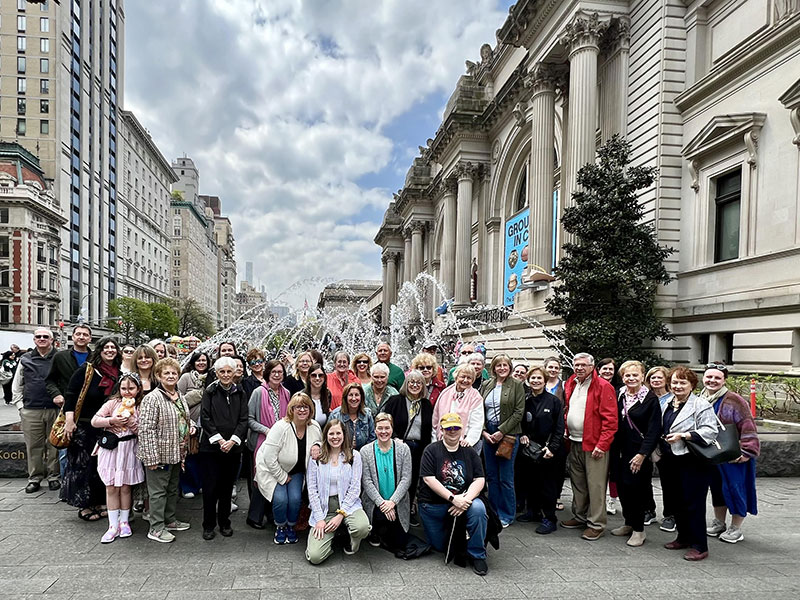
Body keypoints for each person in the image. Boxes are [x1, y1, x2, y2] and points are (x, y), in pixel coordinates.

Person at [657, 366, 718, 561]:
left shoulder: (700, 404)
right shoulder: (666, 402)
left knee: (694, 503)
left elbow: (711, 431)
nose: (677, 386)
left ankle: (700, 545)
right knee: (676, 501)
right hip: (669, 459)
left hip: (692, 461)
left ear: (692, 385)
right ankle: (683, 537)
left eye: (683, 382)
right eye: (674, 382)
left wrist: (684, 435)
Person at [418, 413, 489, 576]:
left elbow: (480, 479)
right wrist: (453, 499)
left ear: (461, 429)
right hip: (434, 505)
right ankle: (459, 537)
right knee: (440, 547)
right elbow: (428, 479)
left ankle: (477, 554)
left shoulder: (469, 451)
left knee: (478, 509)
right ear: (442, 430)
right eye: (448, 428)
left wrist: (465, 500)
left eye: (456, 427)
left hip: (464, 501)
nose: (452, 431)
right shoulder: (431, 450)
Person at [559, 352, 618, 540]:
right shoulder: (571, 382)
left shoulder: (603, 386)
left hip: (594, 445)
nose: (579, 368)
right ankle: (580, 516)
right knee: (578, 484)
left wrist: (602, 444)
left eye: (583, 365)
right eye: (576, 365)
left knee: (596, 485)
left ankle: (596, 524)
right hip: (574, 441)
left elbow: (610, 420)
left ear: (592, 367)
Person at [61, 337, 121, 520]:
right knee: (83, 466)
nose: (110, 350)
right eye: (106, 347)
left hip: (107, 426)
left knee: (102, 467)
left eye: (113, 347)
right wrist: (69, 421)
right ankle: (85, 505)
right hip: (85, 426)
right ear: (99, 350)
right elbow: (70, 395)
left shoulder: (119, 372)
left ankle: (100, 501)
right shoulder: (86, 371)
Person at [701, 363, 760, 544]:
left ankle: (736, 527)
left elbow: (748, 425)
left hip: (734, 454)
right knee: (717, 489)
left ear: (724, 380)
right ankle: (719, 522)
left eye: (717, 378)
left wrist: (747, 451)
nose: (712, 380)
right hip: (712, 454)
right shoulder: (700, 398)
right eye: (709, 377)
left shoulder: (734, 400)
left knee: (735, 489)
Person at [137, 357, 194, 543]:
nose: (171, 376)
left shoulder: (178, 395)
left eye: (174, 373)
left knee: (171, 489)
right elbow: (145, 429)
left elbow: (182, 417)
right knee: (158, 493)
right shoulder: (152, 398)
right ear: (158, 376)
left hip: (177, 453)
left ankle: (169, 520)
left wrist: (191, 425)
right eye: (166, 373)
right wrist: (151, 458)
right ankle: (156, 528)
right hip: (159, 454)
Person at [255, 393, 322, 544]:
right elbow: (268, 457)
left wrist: (317, 445)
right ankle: (280, 527)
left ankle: (291, 526)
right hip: (273, 469)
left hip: (296, 470)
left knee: (295, 499)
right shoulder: (280, 427)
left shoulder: (314, 426)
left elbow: (319, 441)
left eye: (306, 407)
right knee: (280, 499)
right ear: (291, 409)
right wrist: (282, 477)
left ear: (310, 409)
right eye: (298, 407)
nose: (302, 410)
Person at [608, 361, 661, 547]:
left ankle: (639, 530)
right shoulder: (619, 394)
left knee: (637, 491)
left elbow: (654, 431)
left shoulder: (650, 399)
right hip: (619, 452)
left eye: (635, 375)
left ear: (642, 376)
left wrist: (642, 454)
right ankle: (629, 523)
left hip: (638, 453)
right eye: (627, 375)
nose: (631, 378)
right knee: (622, 488)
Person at [90, 372, 145, 543]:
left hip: (129, 449)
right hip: (111, 448)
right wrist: (112, 421)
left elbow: (142, 430)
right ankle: (112, 525)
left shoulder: (140, 406)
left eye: (131, 388)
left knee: (126, 487)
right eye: (124, 388)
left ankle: (124, 521)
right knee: (111, 486)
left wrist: (131, 422)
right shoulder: (112, 403)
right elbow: (95, 420)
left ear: (138, 389)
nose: (127, 392)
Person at [305, 419, 370, 563]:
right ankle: (332, 539)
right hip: (325, 507)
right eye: (331, 433)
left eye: (338, 433)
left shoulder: (354, 456)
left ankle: (352, 541)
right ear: (326, 435)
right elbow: (312, 489)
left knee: (362, 527)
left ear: (344, 434)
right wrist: (320, 519)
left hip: (347, 504)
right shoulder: (317, 458)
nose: (335, 437)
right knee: (315, 557)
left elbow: (355, 488)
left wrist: (341, 514)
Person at [198, 357, 249, 540]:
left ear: (235, 372)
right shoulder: (210, 391)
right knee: (210, 488)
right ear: (217, 373)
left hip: (233, 449)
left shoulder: (240, 392)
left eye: (229, 371)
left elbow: (244, 419)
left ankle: (224, 522)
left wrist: (233, 440)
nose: (226, 375)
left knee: (227, 489)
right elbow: (205, 418)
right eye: (222, 372)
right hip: (211, 449)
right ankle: (208, 525)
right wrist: (219, 440)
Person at [380, 370, 433, 521]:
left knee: (412, 480)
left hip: (418, 449)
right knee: (396, 479)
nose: (415, 385)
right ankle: (390, 510)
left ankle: (407, 510)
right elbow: (386, 422)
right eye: (411, 382)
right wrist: (395, 438)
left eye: (418, 383)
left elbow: (429, 429)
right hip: (399, 446)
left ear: (423, 386)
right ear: (406, 384)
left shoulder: (426, 404)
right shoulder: (395, 400)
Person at [12, 328, 59, 493]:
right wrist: (20, 407)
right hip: (31, 410)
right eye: (38, 336)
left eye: (45, 337)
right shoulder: (25, 359)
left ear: (52, 340)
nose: (42, 339)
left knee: (54, 445)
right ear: (34, 340)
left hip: (55, 409)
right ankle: (35, 478)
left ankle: (54, 477)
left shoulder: (59, 357)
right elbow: (17, 385)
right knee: (33, 446)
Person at [517, 366, 564, 534]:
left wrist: (552, 447)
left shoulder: (553, 401)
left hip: (547, 450)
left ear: (545, 380)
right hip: (529, 450)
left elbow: (559, 427)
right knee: (531, 482)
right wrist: (523, 435)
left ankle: (549, 518)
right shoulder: (526, 401)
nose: (536, 381)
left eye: (539, 378)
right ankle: (533, 511)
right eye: (533, 378)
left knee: (547, 485)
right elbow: (520, 422)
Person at [480, 354, 525, 527]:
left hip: (508, 434)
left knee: (505, 476)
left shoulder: (517, 385)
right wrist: (484, 431)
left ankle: (507, 514)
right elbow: (479, 409)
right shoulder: (486, 384)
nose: (502, 368)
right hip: (488, 433)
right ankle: (493, 511)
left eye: (505, 365)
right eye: (499, 365)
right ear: (494, 368)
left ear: (510, 367)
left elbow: (519, 412)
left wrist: (501, 431)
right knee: (491, 475)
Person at [246, 358, 291, 529]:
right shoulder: (259, 392)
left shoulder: (286, 393)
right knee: (261, 477)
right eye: (274, 372)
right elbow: (249, 419)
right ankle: (254, 516)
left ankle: (272, 513)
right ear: (267, 374)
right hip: (262, 441)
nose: (277, 375)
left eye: (280, 372)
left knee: (276, 475)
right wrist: (266, 430)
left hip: (280, 442)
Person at [360, 413, 413, 552]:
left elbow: (406, 478)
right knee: (380, 521)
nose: (383, 432)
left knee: (400, 542)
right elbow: (367, 481)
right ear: (375, 430)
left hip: (397, 502)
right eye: (380, 428)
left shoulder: (403, 449)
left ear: (392, 428)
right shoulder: (365, 451)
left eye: (387, 428)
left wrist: (392, 502)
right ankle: (375, 531)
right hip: (376, 503)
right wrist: (383, 504)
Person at [177, 351, 211, 499]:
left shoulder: (211, 377)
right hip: (189, 423)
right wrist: (198, 394)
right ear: (193, 362)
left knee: (202, 457)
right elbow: (178, 399)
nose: (201, 363)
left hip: (205, 424)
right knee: (189, 456)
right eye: (198, 361)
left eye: (204, 360)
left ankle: (201, 484)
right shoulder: (186, 377)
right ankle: (188, 487)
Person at [645, 365, 672, 530]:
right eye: (652, 378)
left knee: (668, 481)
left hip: (666, 444)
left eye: (659, 378)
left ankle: (670, 514)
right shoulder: (646, 397)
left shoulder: (673, 398)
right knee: (644, 479)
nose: (655, 381)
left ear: (666, 380)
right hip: (648, 443)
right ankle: (648, 509)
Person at [432, 364, 484, 451]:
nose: (465, 380)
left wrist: (469, 441)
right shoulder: (445, 393)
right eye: (462, 377)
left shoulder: (476, 397)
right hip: (443, 441)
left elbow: (477, 423)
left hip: (464, 443)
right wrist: (434, 441)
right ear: (456, 377)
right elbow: (435, 420)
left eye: (469, 378)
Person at [596, 357, 622, 515]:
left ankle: (612, 499)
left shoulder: (620, 388)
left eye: (610, 369)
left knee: (613, 468)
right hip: (595, 433)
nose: (607, 371)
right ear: (598, 369)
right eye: (604, 368)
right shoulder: (593, 385)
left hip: (614, 434)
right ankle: (598, 499)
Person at [330, 383, 376, 450]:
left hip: (362, 453)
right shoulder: (335, 415)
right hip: (341, 452)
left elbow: (372, 438)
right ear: (345, 397)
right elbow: (329, 436)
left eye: (356, 395)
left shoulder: (367, 414)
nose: (354, 398)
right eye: (351, 395)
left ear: (361, 397)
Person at [305, 363, 331, 427]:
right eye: (314, 375)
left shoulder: (327, 394)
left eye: (320, 375)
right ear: (309, 377)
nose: (317, 378)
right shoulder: (302, 396)